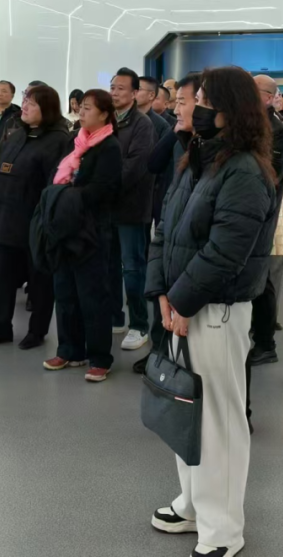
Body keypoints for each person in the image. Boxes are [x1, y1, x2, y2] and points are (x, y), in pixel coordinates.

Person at [145, 66, 278, 557]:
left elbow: (227, 251)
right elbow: (164, 229)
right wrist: (161, 292)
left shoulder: (245, 170)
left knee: (219, 421)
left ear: (229, 110)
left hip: (215, 310)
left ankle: (222, 531)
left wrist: (181, 299)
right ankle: (192, 505)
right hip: (181, 305)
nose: (192, 107)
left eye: (202, 100)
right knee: (187, 413)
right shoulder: (196, 159)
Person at [0, 86, 71, 349]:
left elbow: (55, 185)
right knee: (2, 279)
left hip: (36, 223)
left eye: (32, 103)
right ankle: (0, 328)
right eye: (25, 101)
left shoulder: (58, 140)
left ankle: (37, 331)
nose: (25, 107)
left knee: (40, 282)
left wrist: (46, 222)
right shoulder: (17, 134)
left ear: (47, 109)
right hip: (7, 219)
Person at [44, 89, 123, 381]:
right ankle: (70, 349)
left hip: (92, 230)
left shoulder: (109, 146)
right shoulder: (76, 141)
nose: (82, 112)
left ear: (104, 114)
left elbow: (104, 189)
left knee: (93, 296)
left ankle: (100, 357)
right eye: (82, 107)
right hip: (66, 227)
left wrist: (66, 195)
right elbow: (58, 175)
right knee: (65, 291)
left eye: (88, 108)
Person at [132, 74, 202, 376]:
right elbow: (153, 163)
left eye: (183, 102)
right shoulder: (178, 133)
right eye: (176, 101)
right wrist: (178, 133)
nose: (176, 108)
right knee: (163, 291)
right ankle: (159, 352)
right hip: (170, 217)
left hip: (194, 232)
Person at [108, 67, 157, 351]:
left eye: (121, 88)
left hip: (132, 207)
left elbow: (135, 167)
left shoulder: (142, 124)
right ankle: (116, 317)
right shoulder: (108, 120)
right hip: (107, 207)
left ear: (135, 93)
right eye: (113, 87)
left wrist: (104, 183)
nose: (115, 93)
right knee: (110, 265)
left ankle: (139, 325)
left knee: (133, 268)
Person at [247, 74, 283, 367]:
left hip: (260, 214)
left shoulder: (277, 131)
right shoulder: (249, 125)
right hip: (247, 212)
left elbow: (270, 177)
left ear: (266, 96)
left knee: (261, 278)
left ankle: (265, 343)